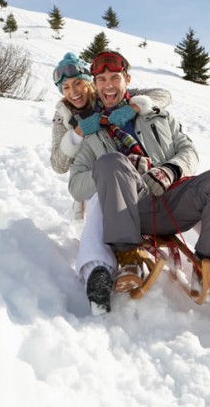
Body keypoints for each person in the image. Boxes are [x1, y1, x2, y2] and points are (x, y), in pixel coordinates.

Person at [69, 51, 210, 311]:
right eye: (102, 79)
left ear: (127, 79)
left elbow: (188, 151)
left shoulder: (158, 116)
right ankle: (126, 258)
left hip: (173, 197)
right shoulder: (92, 135)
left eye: (115, 77)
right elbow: (75, 184)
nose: (109, 85)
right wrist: (115, 174)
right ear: (95, 85)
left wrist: (169, 171)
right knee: (110, 162)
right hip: (129, 210)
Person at [50, 52, 171, 312]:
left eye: (78, 83)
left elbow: (162, 96)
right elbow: (59, 164)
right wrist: (78, 133)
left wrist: (134, 106)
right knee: (98, 200)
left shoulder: (108, 92)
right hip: (91, 179)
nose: (74, 92)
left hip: (128, 174)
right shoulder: (64, 116)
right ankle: (96, 270)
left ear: (89, 82)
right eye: (66, 87)